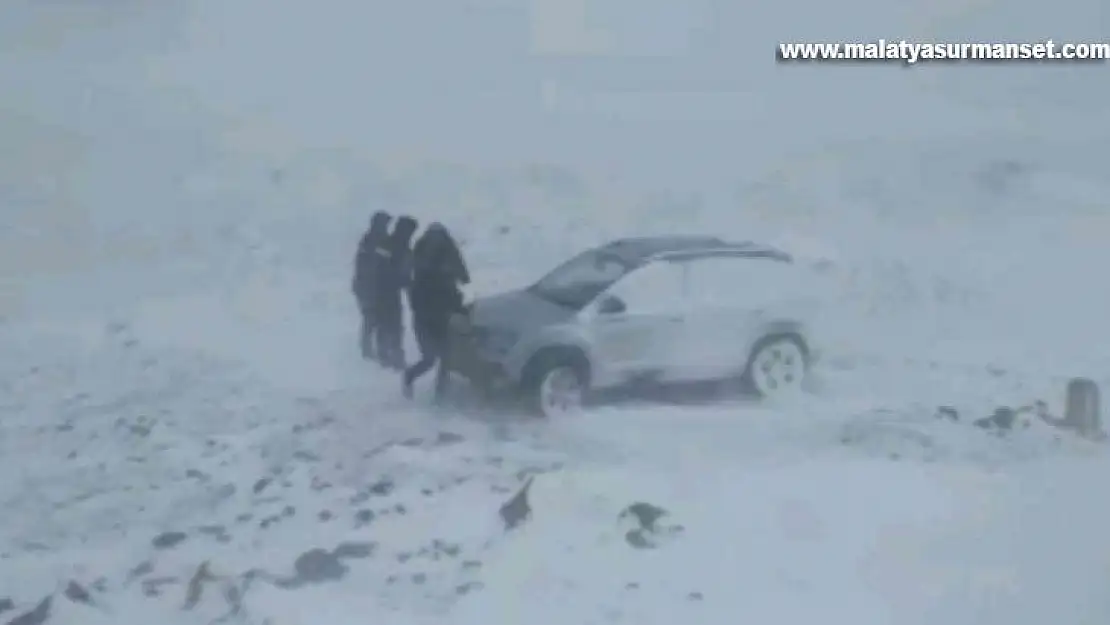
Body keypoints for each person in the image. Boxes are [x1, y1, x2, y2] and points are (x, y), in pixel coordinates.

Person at [403, 223, 470, 401]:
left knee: (444, 358)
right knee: (433, 358)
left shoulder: (437, 255)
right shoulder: (424, 270)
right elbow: (464, 278)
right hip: (428, 317)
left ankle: (440, 397)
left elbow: (464, 277)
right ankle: (410, 377)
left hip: (438, 317)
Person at [374, 215, 419, 369]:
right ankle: (385, 355)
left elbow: (407, 273)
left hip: (393, 293)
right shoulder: (386, 244)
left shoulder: (405, 248)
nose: (410, 235)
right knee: (386, 324)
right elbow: (380, 268)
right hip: (381, 291)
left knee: (395, 325)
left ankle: (394, 357)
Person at [351, 211, 391, 361]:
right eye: (386, 223)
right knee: (371, 318)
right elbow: (369, 265)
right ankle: (367, 350)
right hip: (367, 287)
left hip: (370, 287)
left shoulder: (373, 239)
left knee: (374, 319)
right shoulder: (371, 240)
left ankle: (371, 349)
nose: (387, 226)